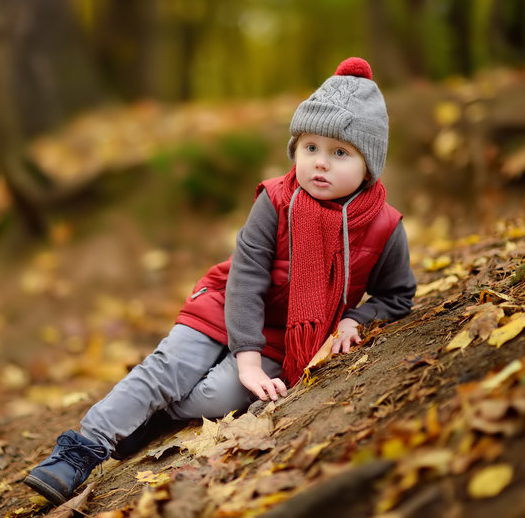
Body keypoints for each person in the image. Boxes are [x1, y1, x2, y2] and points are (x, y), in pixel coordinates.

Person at [23, 57, 417, 506]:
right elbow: (247, 277)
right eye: (310, 148)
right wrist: (246, 357)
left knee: (216, 394)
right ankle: (78, 451)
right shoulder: (276, 200)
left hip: (284, 338)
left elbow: (397, 294)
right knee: (168, 369)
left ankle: (153, 417)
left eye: (340, 153)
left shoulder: (384, 228)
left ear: (370, 164)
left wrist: (355, 319)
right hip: (223, 305)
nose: (320, 164)